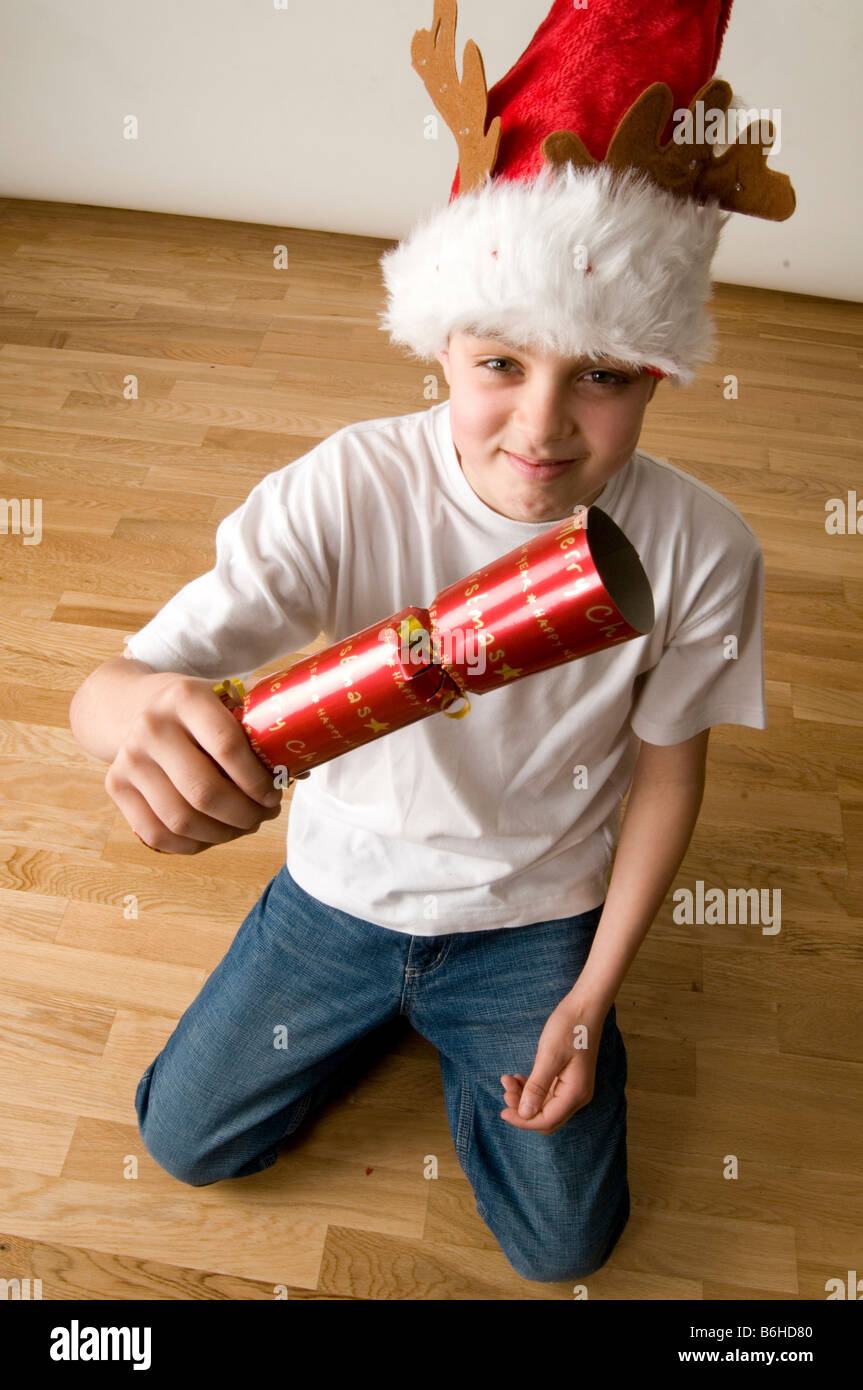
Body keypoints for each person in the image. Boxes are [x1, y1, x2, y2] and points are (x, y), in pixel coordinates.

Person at [68, 0, 795, 1284]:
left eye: (604, 376)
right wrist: (120, 710)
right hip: (338, 896)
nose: (542, 424)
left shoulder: (700, 548)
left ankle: (471, 1033)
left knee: (562, 1248)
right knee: (181, 1144)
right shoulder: (347, 486)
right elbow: (120, 679)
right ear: (440, 344)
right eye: (499, 360)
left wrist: (588, 995)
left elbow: (669, 770)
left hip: (536, 920)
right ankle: (387, 1015)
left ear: (659, 375)